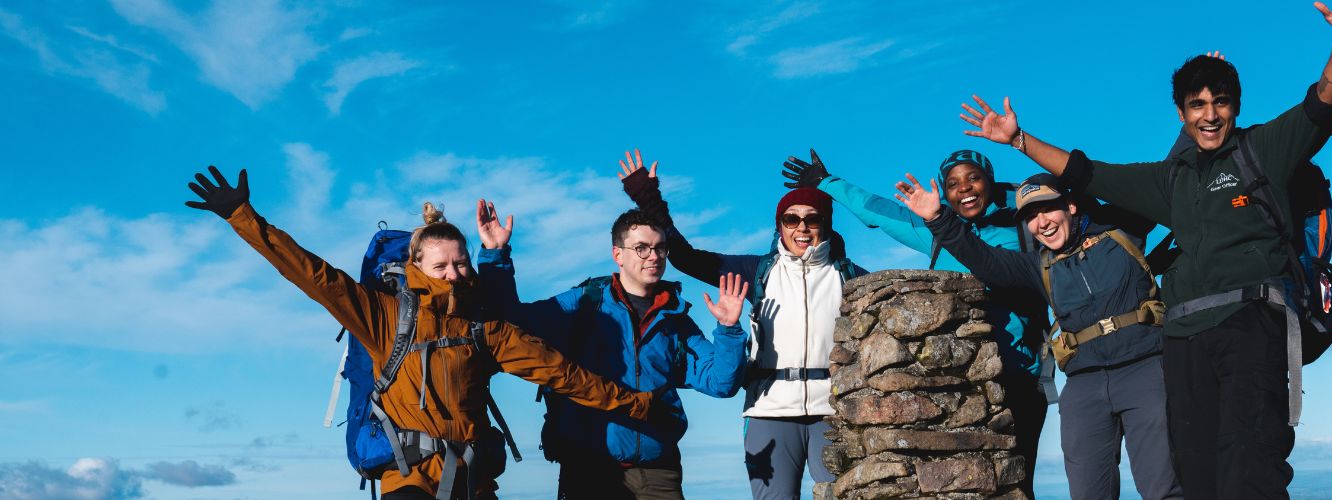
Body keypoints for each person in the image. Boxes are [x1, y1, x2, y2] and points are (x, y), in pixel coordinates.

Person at [958, 1, 1332, 497]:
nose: (1210, 114)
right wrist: (1019, 140)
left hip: (1251, 319)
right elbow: (1086, 173)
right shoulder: (1168, 182)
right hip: (1181, 336)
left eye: (1220, 101)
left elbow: (1322, 104)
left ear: (1236, 106)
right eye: (1197, 105)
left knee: (1252, 463)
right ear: (1181, 115)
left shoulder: (1262, 149)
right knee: (1194, 472)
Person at [183, 166, 657, 499]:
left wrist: (638, 405)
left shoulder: (485, 328)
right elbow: (313, 275)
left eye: (460, 262)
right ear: (416, 266)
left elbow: (562, 374)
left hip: (473, 480)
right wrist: (243, 217)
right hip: (407, 480)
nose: (452, 272)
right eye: (441, 264)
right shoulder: (382, 315)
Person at [781, 148, 1051, 495]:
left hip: (1019, 373)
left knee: (1014, 480)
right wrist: (826, 182)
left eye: (973, 178)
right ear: (943, 191)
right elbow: (880, 212)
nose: (964, 188)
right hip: (959, 381)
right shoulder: (938, 230)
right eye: (952, 183)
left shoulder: (1022, 226)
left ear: (990, 182)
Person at [896, 173, 1181, 500]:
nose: (1041, 222)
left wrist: (1020, 140)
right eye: (1030, 217)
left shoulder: (1121, 232)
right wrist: (937, 217)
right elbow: (983, 259)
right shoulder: (1038, 266)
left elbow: (1165, 179)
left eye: (1047, 209)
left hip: (1145, 371)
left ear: (1070, 205)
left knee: (1163, 487)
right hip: (1083, 385)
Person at [616, 149, 868, 500]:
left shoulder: (853, 278)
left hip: (835, 411)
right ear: (779, 225)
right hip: (769, 411)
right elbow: (687, 258)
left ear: (825, 224)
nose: (802, 227)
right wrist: (647, 197)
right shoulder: (758, 271)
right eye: (791, 219)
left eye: (812, 218)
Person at [473, 199, 750, 500]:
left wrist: (729, 329)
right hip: (589, 468)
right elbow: (514, 323)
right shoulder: (585, 303)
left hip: (659, 470)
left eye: (660, 248)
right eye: (642, 248)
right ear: (617, 254)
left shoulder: (675, 319)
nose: (654, 256)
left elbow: (722, 383)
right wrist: (495, 255)